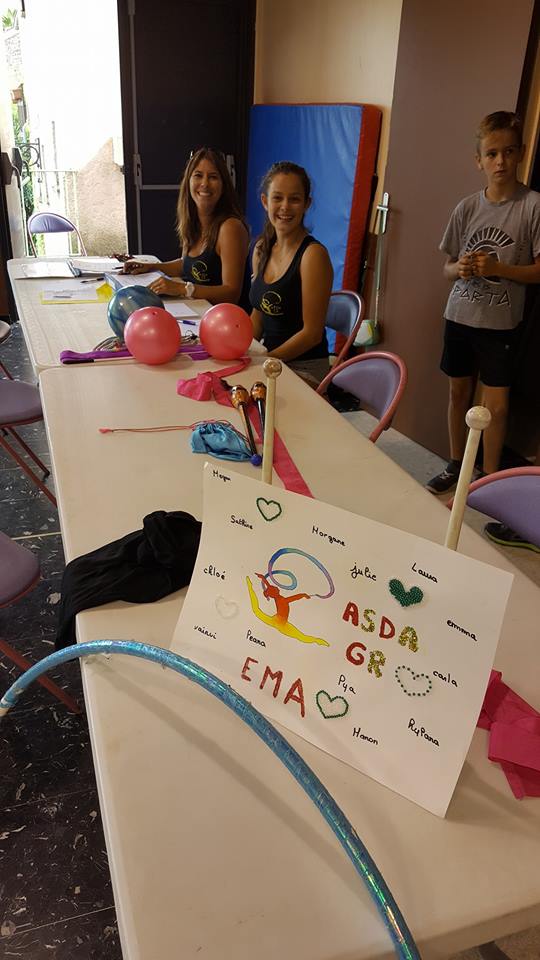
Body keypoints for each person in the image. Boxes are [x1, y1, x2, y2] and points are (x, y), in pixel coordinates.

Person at [427, 111, 540, 548]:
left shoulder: (532, 206)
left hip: (501, 324)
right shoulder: (467, 207)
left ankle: (492, 481)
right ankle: (458, 464)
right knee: (458, 394)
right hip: (459, 316)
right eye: (492, 154)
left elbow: (537, 270)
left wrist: (499, 269)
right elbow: (446, 266)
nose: (500, 161)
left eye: (509, 152)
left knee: (496, 407)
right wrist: (460, 268)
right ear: (479, 160)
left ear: (521, 153)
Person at [122, 147, 250, 305]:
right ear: (188, 181)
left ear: (224, 185)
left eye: (213, 177)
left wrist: (183, 289)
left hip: (223, 317)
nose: (205, 183)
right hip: (197, 310)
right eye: (198, 175)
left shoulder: (230, 227)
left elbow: (231, 293)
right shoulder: (193, 222)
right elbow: (186, 265)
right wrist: (151, 267)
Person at [250, 161, 333, 385]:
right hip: (271, 361)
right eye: (277, 198)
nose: (285, 207)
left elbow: (312, 334)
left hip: (304, 368)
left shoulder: (313, 256)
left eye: (294, 199)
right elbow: (258, 316)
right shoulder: (261, 249)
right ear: (265, 202)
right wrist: (241, 351)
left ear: (307, 204)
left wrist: (265, 360)